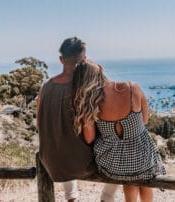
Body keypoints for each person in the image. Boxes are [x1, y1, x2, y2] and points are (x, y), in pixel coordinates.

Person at [71, 61, 166, 202]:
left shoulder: (89, 104)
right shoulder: (132, 88)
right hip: (142, 159)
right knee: (141, 174)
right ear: (101, 70)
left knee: (128, 177)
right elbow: (145, 120)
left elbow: (89, 139)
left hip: (112, 164)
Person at [37, 37, 118, 202]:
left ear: (61, 59)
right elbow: (89, 137)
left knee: (66, 142)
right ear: (84, 60)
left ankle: (72, 197)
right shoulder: (84, 90)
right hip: (79, 165)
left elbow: (40, 123)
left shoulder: (45, 87)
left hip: (51, 161)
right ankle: (106, 198)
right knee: (121, 154)